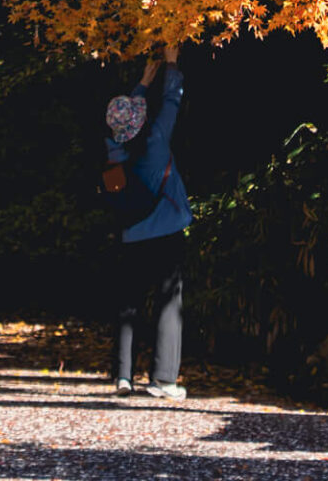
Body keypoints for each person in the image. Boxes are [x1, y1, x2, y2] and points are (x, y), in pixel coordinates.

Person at [105, 43, 191, 402]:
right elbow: (171, 102)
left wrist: (142, 82)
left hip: (130, 234)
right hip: (167, 229)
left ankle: (123, 376)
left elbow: (125, 123)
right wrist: (170, 65)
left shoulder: (112, 149)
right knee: (168, 301)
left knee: (129, 302)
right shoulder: (155, 141)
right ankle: (163, 379)